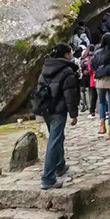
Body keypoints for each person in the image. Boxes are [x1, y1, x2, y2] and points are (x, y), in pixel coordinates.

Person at [36, 43, 80, 190]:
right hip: (58, 110)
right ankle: (48, 178)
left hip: (46, 109)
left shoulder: (45, 69)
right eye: (70, 52)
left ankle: (60, 166)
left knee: (57, 137)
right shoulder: (67, 71)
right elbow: (70, 94)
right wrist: (73, 114)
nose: (71, 55)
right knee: (54, 141)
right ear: (66, 54)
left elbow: (39, 90)